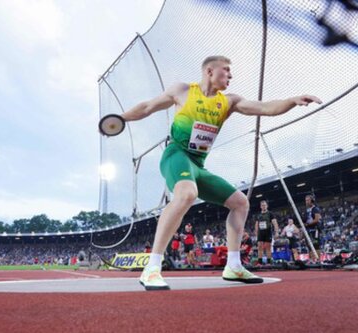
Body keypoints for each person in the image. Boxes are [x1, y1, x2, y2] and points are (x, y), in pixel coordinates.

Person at [120, 55, 321, 290]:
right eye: (226, 70)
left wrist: (291, 100)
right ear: (209, 71)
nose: (230, 75)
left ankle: (233, 266)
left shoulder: (229, 101)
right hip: (176, 156)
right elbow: (147, 107)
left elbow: (265, 108)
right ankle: (152, 268)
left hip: (198, 165)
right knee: (186, 194)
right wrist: (119, 119)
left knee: (240, 203)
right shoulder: (182, 91)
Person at [254, 200, 279, 265]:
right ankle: (260, 262)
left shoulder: (270, 214)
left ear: (267, 206)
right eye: (262, 205)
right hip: (260, 232)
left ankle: (269, 262)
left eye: (265, 205)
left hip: (268, 232)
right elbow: (256, 224)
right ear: (260, 207)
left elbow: (275, 223)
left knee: (268, 247)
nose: (264, 206)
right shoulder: (258, 215)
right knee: (259, 247)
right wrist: (256, 233)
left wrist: (276, 232)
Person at [303, 194, 322, 262]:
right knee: (309, 245)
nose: (306, 202)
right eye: (306, 200)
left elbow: (317, 219)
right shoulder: (307, 210)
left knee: (316, 245)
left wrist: (308, 224)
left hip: (315, 229)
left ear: (312, 201)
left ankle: (318, 260)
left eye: (308, 200)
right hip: (308, 230)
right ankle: (311, 259)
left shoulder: (315, 209)